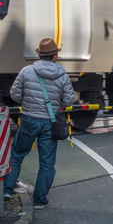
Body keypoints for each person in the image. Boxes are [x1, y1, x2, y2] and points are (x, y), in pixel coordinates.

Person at [3, 38, 75, 209]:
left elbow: (14, 95)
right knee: (47, 163)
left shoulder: (26, 71)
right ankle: (39, 200)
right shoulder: (62, 74)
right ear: (55, 55)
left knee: (17, 154)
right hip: (50, 123)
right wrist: (57, 105)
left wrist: (28, 101)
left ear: (40, 54)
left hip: (28, 120)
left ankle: (6, 190)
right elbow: (69, 100)